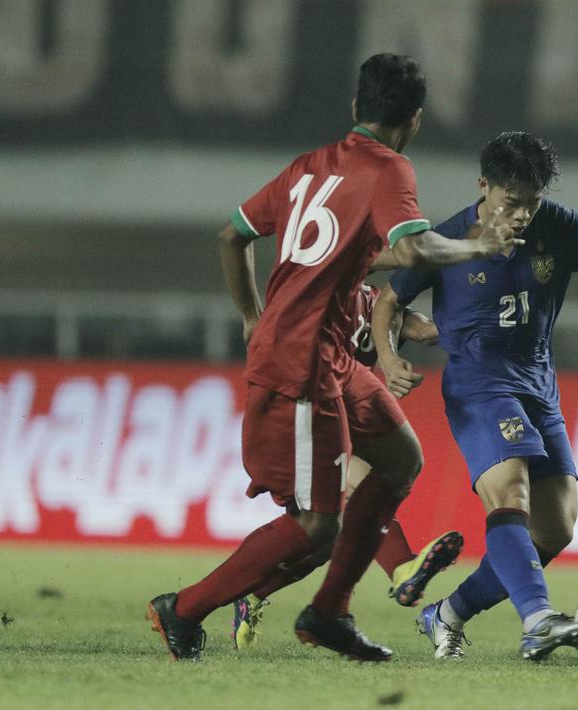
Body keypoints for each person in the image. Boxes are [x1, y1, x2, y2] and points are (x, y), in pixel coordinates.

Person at [146, 53, 521, 663]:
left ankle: (329, 612)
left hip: (329, 355)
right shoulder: (389, 170)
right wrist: (477, 245)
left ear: (355, 108)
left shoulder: (306, 169)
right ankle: (184, 608)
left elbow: (232, 236)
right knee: (319, 526)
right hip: (300, 364)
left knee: (401, 459)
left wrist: (250, 315)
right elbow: (415, 246)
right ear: (416, 120)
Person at [373, 131, 578, 661]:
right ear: (484, 186)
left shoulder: (562, 226)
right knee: (511, 493)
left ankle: (448, 614)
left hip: (538, 387)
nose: (522, 215)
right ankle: (538, 621)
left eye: (531, 203)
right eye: (512, 203)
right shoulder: (447, 241)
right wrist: (389, 357)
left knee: (556, 529)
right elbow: (388, 301)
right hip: (478, 384)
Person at [231, 284, 465, 649]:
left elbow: (425, 330)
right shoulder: (319, 290)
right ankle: (403, 568)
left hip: (343, 421)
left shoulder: (379, 301)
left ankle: (251, 595)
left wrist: (481, 303)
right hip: (302, 420)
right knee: (359, 492)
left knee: (322, 544)